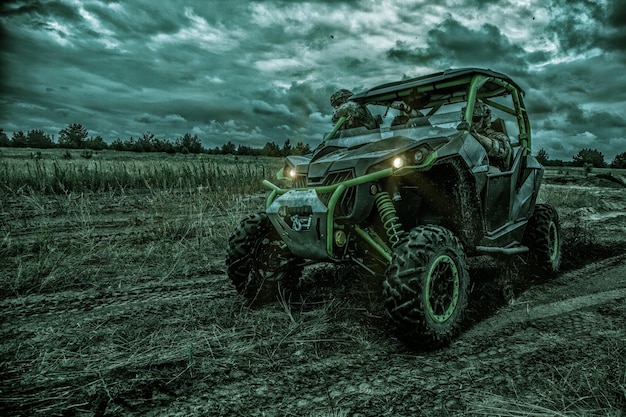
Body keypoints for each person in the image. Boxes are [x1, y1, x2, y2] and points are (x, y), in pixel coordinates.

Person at [468, 100, 512, 170]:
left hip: (492, 175)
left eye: (475, 119)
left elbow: (501, 150)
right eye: (468, 119)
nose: (471, 123)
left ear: (485, 119)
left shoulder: (498, 136)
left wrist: (476, 136)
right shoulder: (465, 138)